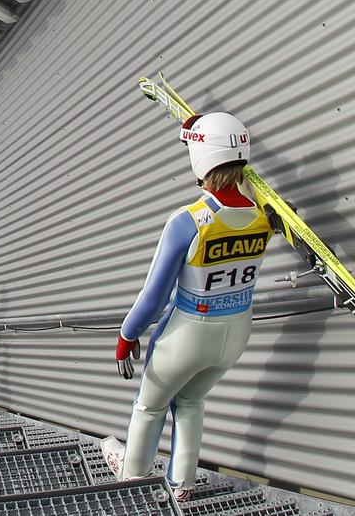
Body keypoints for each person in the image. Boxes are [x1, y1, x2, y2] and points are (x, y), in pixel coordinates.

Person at [102, 113, 272, 503]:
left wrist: (127, 336)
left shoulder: (189, 220)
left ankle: (132, 479)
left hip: (189, 329)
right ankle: (182, 486)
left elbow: (153, 298)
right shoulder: (265, 217)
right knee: (192, 401)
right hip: (237, 330)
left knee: (149, 406)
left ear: (200, 157)